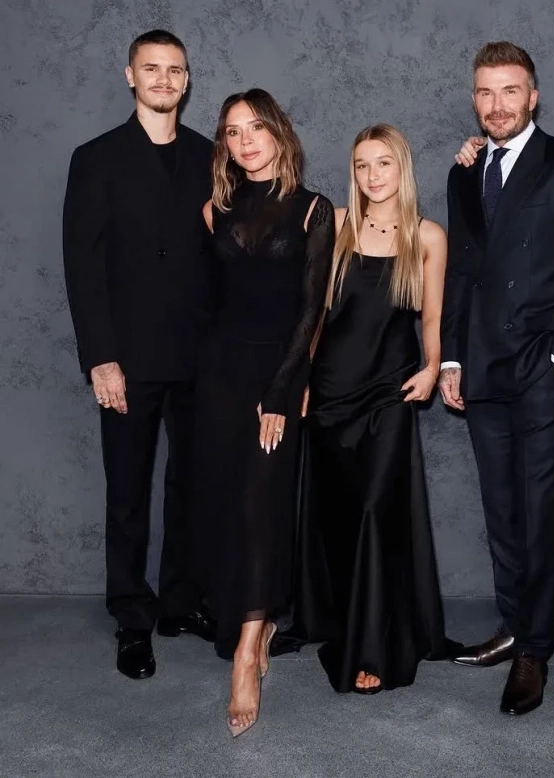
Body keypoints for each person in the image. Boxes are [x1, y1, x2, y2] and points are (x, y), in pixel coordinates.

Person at [439, 41, 554, 716]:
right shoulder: (466, 171)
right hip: (483, 367)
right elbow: (462, 270)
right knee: (502, 509)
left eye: (510, 90)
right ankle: (514, 625)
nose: (497, 104)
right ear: (474, 99)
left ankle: (535, 649)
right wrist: (452, 358)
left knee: (542, 512)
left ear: (533, 96)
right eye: (485, 92)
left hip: (542, 369)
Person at [62, 29, 216, 682]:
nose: (163, 79)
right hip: (126, 358)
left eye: (174, 70)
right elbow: (82, 266)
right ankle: (132, 616)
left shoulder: (212, 155)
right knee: (127, 492)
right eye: (151, 68)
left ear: (187, 80)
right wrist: (101, 358)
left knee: (191, 487)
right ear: (130, 76)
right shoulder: (95, 158)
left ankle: (180, 603)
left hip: (200, 356)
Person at [290, 124, 451, 694]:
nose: (372, 175)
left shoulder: (427, 236)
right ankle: (335, 619)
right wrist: (299, 381)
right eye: (362, 164)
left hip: (389, 391)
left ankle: (371, 647)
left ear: (402, 168)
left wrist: (433, 366)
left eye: (383, 163)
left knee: (375, 512)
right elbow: (311, 315)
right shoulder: (334, 225)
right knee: (337, 515)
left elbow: (432, 316)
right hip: (331, 392)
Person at [191, 89, 334, 736]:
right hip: (219, 377)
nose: (245, 140)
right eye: (232, 131)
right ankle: (258, 618)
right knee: (229, 504)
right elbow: (211, 303)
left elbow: (311, 312)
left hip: (276, 377)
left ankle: (248, 652)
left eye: (255, 127)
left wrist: (281, 391)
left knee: (261, 504)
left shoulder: (313, 210)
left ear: (279, 132)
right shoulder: (213, 210)